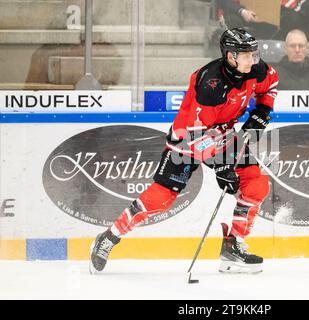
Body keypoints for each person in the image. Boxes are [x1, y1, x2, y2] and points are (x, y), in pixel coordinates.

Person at [89, 28, 279, 275]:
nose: (252, 60)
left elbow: (271, 84)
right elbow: (197, 136)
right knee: (161, 198)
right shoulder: (211, 84)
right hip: (188, 139)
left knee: (255, 184)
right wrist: (222, 166)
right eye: (245, 55)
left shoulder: (257, 69)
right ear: (230, 56)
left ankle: (234, 247)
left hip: (223, 135)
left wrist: (263, 112)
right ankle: (109, 237)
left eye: (253, 54)